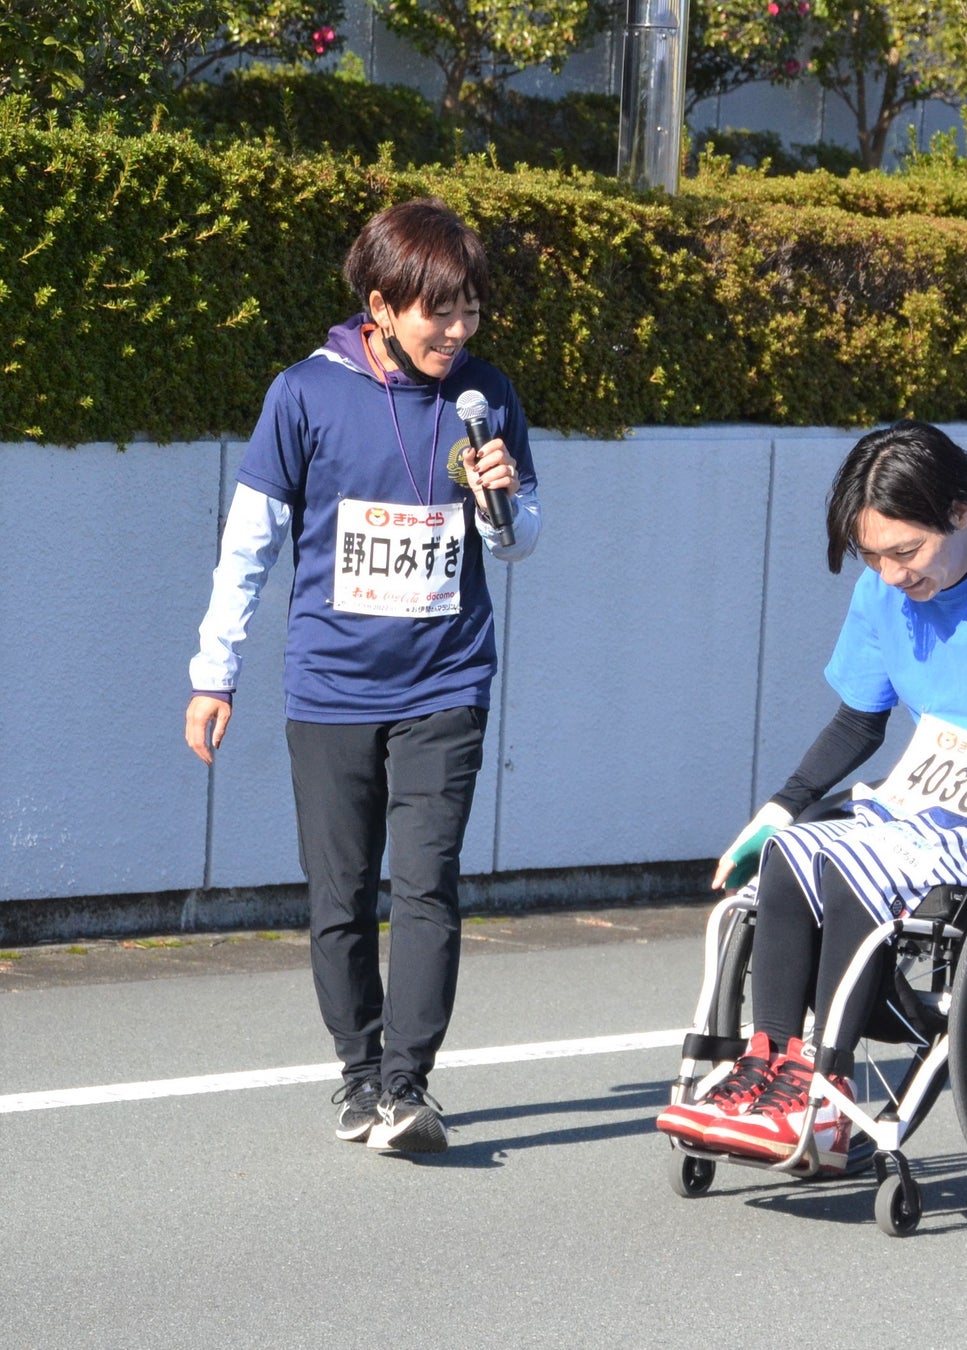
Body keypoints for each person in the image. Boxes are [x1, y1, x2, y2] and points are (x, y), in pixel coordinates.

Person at [655, 420, 967, 1170]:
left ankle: (826, 1087)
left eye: (904, 553)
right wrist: (779, 806)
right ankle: (770, 1064)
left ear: (958, 511)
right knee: (794, 851)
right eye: (870, 555)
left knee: (858, 869)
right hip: (918, 804)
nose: (889, 575)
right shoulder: (882, 589)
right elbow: (860, 719)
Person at [184, 198, 542, 1154]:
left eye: (470, 310)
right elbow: (248, 545)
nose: (459, 331)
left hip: (447, 680)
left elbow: (521, 544)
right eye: (440, 312)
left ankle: (409, 1086)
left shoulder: (486, 395)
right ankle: (357, 1071)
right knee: (340, 893)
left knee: (426, 885)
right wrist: (213, 672)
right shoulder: (304, 393)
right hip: (332, 685)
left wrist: (501, 501)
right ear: (382, 305)